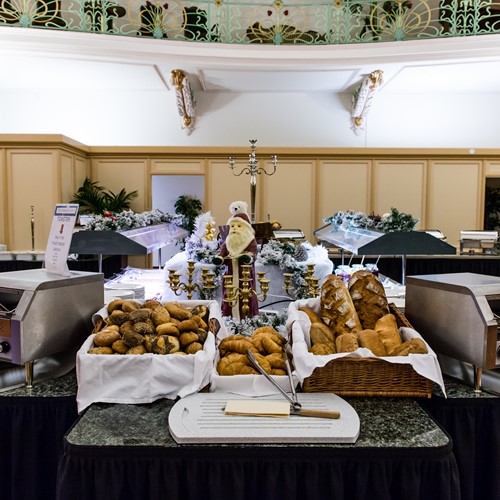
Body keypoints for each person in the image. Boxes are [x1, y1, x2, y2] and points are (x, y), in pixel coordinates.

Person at [214, 201, 259, 319]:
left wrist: (248, 257)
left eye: (239, 226)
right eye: (232, 226)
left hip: (244, 274)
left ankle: (247, 317)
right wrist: (220, 258)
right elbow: (223, 251)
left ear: (245, 227)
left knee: (247, 294)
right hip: (230, 273)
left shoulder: (250, 239)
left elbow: (253, 252)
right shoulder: (228, 240)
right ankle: (228, 317)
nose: (234, 229)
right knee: (229, 294)